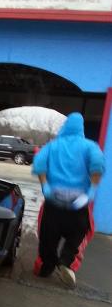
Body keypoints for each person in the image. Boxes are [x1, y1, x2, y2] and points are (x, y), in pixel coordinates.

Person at [32, 112, 105, 288]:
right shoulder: (90, 146)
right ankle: (66, 261)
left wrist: (45, 187)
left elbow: (39, 163)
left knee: (48, 236)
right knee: (79, 233)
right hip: (78, 202)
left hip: (53, 201)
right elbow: (97, 166)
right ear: (81, 129)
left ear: (65, 127)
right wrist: (91, 191)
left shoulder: (53, 145)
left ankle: (46, 267)